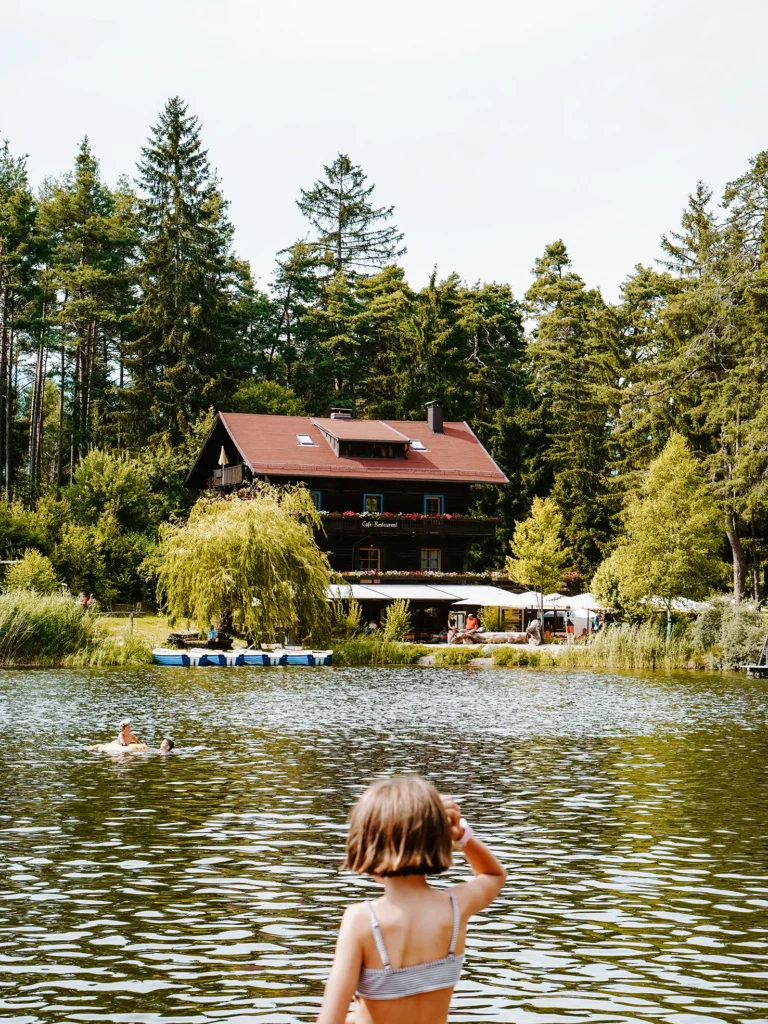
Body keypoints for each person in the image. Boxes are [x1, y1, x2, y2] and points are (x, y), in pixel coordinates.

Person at [316, 775, 506, 1024]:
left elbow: (330, 1020)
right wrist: (462, 836)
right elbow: (493, 874)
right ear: (437, 838)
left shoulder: (362, 921)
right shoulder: (455, 907)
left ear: (367, 842)